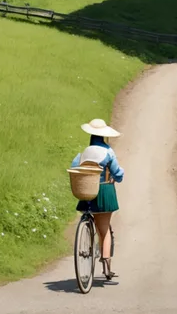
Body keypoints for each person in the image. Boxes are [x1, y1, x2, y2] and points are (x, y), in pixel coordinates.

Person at [71, 118, 124, 280]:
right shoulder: (108, 152)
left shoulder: (84, 152)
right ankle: (107, 265)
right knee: (104, 230)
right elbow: (118, 174)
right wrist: (118, 175)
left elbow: (74, 167)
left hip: (86, 192)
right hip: (103, 193)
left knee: (95, 220)